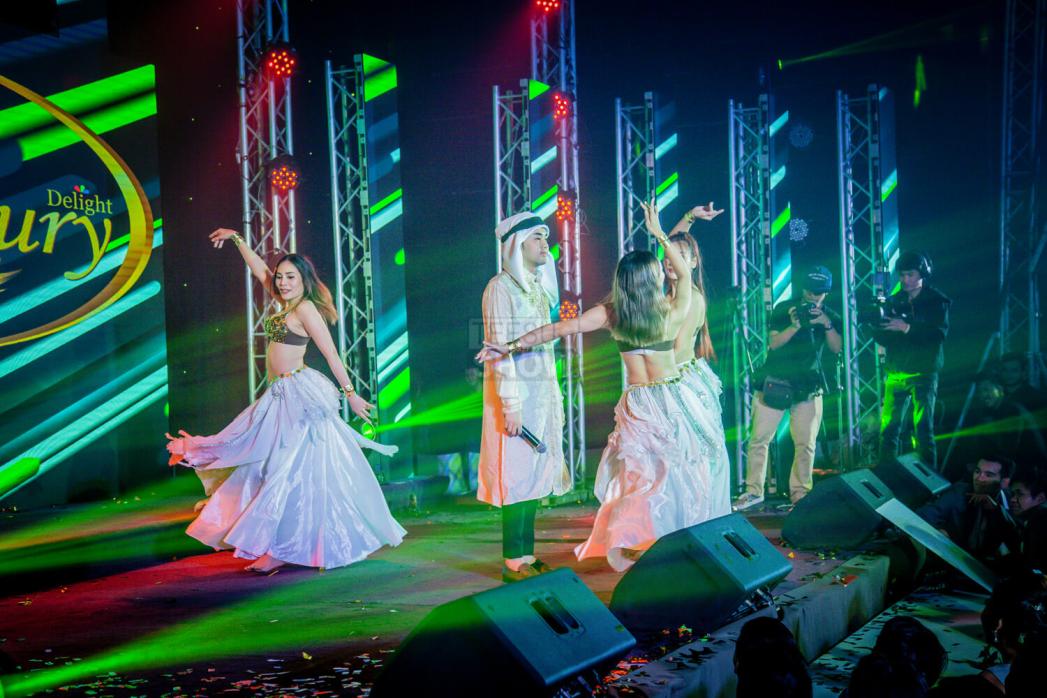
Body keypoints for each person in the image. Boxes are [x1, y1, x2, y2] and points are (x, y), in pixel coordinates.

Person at [478, 202, 731, 571]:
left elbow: (557, 329)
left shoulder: (611, 314)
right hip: (670, 398)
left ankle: (647, 541)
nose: (665, 270)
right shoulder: (672, 310)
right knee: (674, 475)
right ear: (652, 279)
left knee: (643, 479)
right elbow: (681, 270)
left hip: (639, 403)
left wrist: (513, 345)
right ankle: (668, 542)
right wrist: (661, 233)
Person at [165, 228, 406, 572]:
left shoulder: (305, 309)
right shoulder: (284, 304)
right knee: (261, 460)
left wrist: (351, 395)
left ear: (304, 280)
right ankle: (268, 536)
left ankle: (280, 549)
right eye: (281, 277)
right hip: (280, 393)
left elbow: (331, 353)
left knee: (286, 469)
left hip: (300, 396)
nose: (282, 282)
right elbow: (260, 271)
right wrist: (237, 240)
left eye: (291, 277)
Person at [478, 212, 570, 583]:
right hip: (516, 399)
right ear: (517, 245)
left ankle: (527, 554)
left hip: (540, 394)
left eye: (545, 237)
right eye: (536, 238)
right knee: (516, 476)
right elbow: (498, 349)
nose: (545, 244)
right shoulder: (500, 288)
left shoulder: (534, 287)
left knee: (533, 475)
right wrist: (511, 405)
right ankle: (512, 559)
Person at [733, 266, 842, 511]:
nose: (813, 297)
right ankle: (753, 491)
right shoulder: (785, 309)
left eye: (819, 293)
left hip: (809, 387)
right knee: (759, 439)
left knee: (806, 443)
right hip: (776, 382)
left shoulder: (831, 316)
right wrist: (795, 325)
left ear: (826, 293)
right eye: (810, 291)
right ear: (803, 289)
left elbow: (837, 348)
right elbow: (774, 343)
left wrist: (826, 324)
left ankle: (800, 494)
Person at [875, 252, 951, 470]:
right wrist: (879, 327)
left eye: (910, 274)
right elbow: (883, 338)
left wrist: (907, 327)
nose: (905, 280)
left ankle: (928, 479)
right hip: (896, 371)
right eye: (902, 275)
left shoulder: (936, 301)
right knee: (888, 429)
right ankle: (886, 475)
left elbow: (938, 334)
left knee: (923, 429)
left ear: (922, 274)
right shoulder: (894, 301)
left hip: (923, 372)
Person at [916, 457, 1020, 569]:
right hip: (952, 561)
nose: (979, 478)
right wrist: (939, 531)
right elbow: (925, 515)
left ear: (1004, 482)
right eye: (977, 471)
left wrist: (995, 510)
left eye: (988, 475)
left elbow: (1018, 541)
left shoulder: (1013, 502)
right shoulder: (960, 492)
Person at [1008, 466, 1047, 573]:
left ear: (1040, 498)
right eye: (1012, 494)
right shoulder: (1032, 520)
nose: (1012, 499)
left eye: (1019, 494)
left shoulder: (1040, 523)